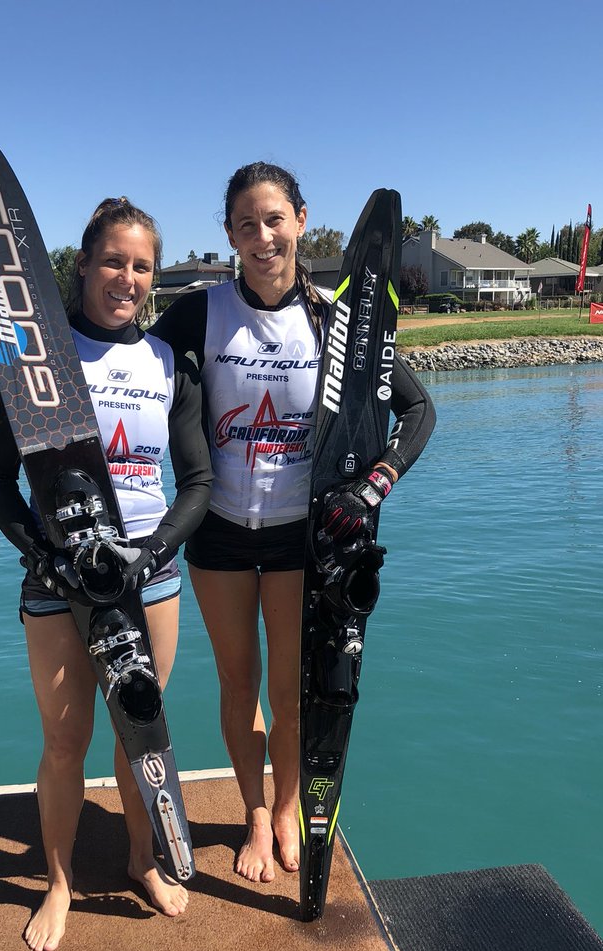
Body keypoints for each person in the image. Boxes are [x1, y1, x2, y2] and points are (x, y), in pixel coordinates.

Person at [152, 163, 435, 884]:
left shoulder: (337, 323)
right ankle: (253, 812)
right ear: (229, 235)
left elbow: (418, 411)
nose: (263, 237)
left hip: (296, 537)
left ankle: (285, 809)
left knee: (290, 692)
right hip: (217, 531)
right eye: (246, 224)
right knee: (236, 684)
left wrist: (373, 486)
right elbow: (124, 358)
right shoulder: (198, 312)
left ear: (301, 221)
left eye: (274, 219)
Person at [0, 198, 211, 951]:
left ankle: (142, 861)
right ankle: (59, 881)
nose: (127, 278)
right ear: (81, 265)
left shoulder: (167, 363)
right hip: (57, 579)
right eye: (113, 261)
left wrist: (151, 555)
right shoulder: (29, 363)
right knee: (64, 739)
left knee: (140, 733)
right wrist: (45, 556)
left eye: (141, 266)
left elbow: (198, 481)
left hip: (148, 574)